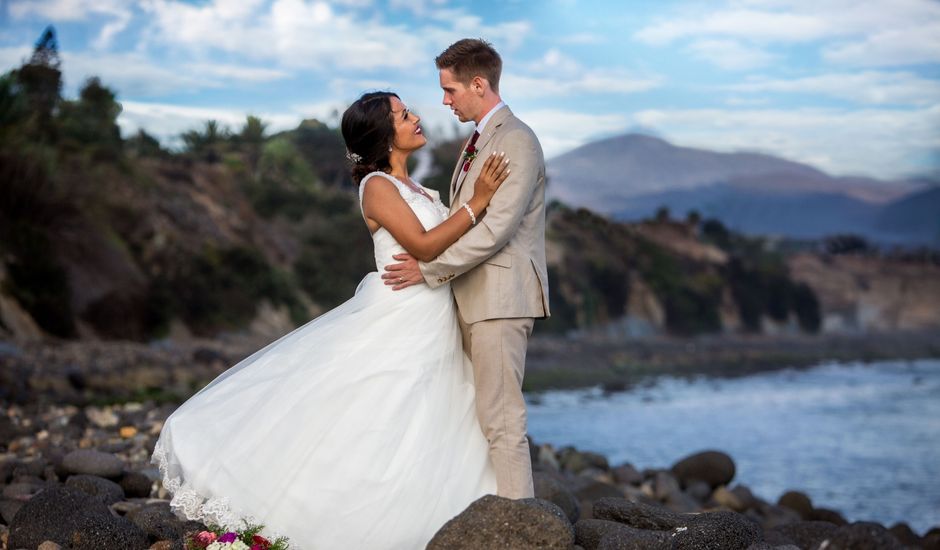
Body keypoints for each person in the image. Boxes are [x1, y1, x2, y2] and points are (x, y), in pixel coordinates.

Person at [151, 90, 512, 549]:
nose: (417, 118)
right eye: (404, 115)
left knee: (422, 425)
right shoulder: (378, 187)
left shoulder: (418, 187)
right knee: (377, 419)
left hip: (431, 315)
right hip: (399, 315)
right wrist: (477, 202)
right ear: (383, 135)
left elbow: (445, 248)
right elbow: (423, 246)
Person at [383, 38, 550, 499]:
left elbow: (496, 228)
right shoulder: (480, 139)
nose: (443, 100)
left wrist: (429, 270)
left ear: (479, 84)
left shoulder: (515, 139)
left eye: (450, 90)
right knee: (481, 418)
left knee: (501, 419)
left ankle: (523, 530)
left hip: (500, 299)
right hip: (474, 299)